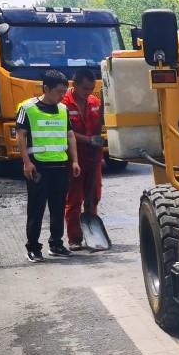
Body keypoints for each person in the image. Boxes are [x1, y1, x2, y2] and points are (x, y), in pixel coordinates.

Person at [17, 69, 80, 261]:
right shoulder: (27, 108)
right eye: (59, 92)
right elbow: (21, 136)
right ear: (46, 88)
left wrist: (75, 160)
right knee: (36, 208)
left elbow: (70, 135)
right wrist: (26, 163)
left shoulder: (63, 110)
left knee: (58, 207)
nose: (63, 96)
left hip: (60, 166)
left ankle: (56, 244)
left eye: (64, 91)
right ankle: (33, 248)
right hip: (38, 166)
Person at [63, 68, 105, 249]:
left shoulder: (95, 102)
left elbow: (99, 127)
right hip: (74, 158)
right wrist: (88, 140)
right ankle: (74, 238)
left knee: (93, 197)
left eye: (91, 89)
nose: (88, 93)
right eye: (85, 89)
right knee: (74, 199)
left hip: (93, 158)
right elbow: (65, 133)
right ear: (75, 85)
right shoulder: (63, 105)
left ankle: (92, 235)